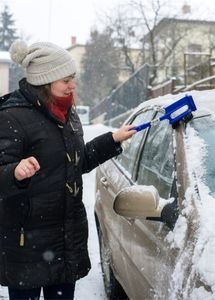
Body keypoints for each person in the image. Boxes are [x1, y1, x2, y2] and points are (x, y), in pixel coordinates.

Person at [0, 40, 136, 300]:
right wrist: (15, 172)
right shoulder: (12, 116)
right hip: (27, 243)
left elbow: (77, 162)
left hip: (65, 240)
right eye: (65, 80)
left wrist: (113, 139)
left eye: (72, 78)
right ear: (45, 80)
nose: (72, 85)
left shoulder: (67, 112)